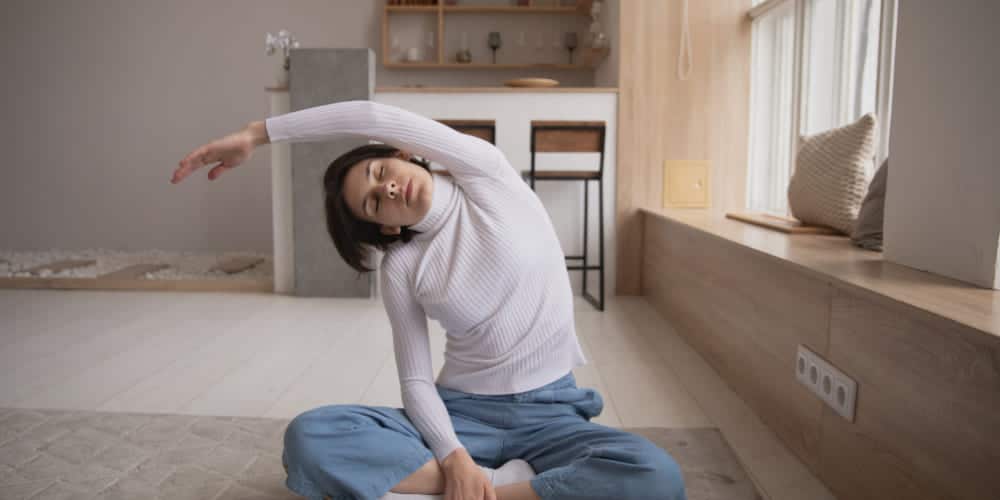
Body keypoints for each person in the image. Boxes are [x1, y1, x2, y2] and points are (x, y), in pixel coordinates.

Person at [172, 100, 686, 500]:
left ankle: (480, 491)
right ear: (386, 225)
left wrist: (256, 134)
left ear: (401, 154)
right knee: (311, 436)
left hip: (550, 412)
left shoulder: (487, 176)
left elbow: (370, 114)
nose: (388, 190)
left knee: (656, 476)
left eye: (378, 173)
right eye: (374, 203)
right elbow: (416, 380)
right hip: (462, 415)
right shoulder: (402, 266)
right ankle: (483, 480)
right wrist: (454, 454)